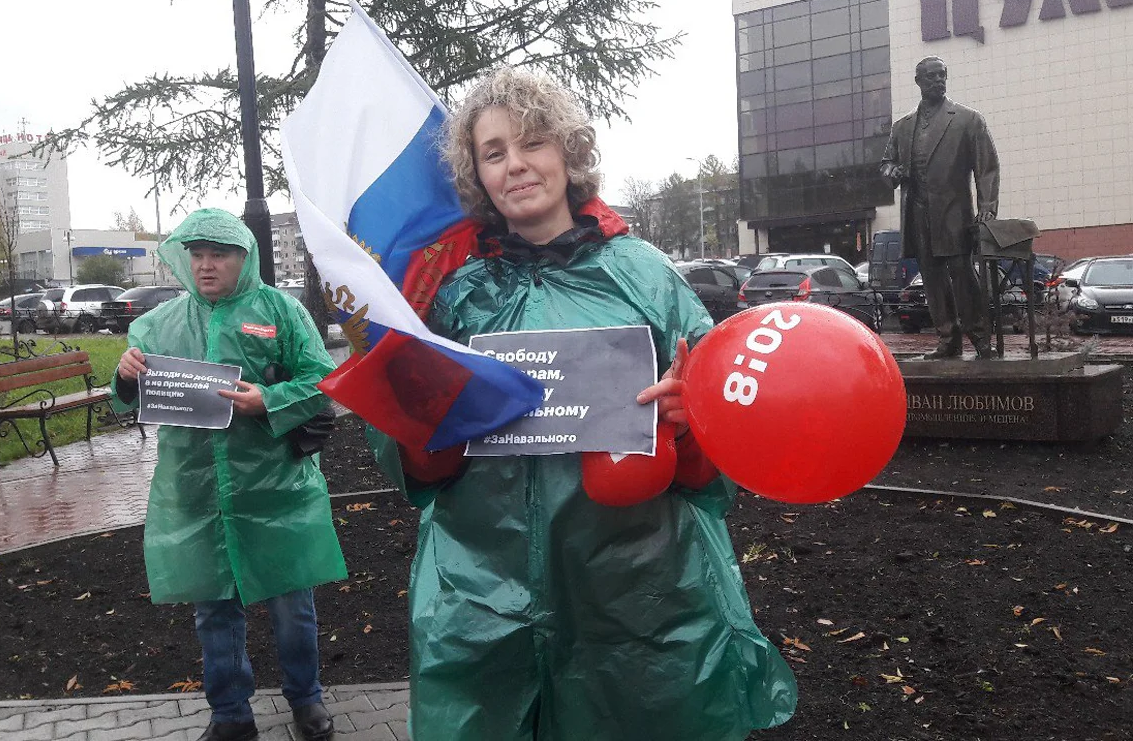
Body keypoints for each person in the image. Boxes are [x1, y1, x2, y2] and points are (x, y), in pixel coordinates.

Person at [366, 68, 797, 739]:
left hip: (638, 594)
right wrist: (424, 427)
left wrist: (687, 426)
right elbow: (417, 469)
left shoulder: (647, 279)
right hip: (480, 596)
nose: (515, 164)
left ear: (569, 153)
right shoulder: (452, 297)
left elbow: (717, 463)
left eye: (532, 142)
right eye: (493, 152)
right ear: (477, 176)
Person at [111, 208, 346, 741]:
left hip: (275, 486)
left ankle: (306, 700)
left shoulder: (280, 311)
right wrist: (125, 375)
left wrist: (270, 399)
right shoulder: (159, 324)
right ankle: (231, 715)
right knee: (214, 610)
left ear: (245, 257)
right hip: (197, 488)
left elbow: (323, 379)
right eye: (197, 255)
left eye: (218, 254)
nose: (205, 265)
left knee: (291, 604)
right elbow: (128, 396)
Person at [881, 55, 1000, 359]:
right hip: (917, 212)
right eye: (931, 76)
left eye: (942, 75)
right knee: (932, 278)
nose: (938, 81)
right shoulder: (902, 127)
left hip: (954, 212)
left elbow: (986, 166)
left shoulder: (967, 119)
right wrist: (892, 172)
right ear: (918, 81)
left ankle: (979, 336)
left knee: (962, 274)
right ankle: (948, 338)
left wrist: (987, 206)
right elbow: (887, 163)